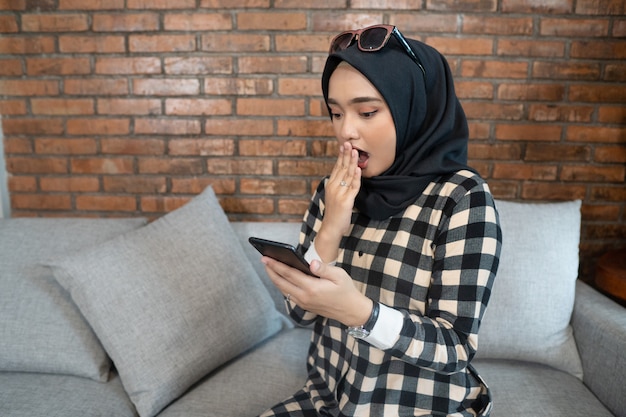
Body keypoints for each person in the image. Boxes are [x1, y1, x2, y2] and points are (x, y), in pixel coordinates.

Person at [259, 24, 502, 417]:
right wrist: (333, 223)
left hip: (418, 407)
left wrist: (361, 313)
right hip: (328, 400)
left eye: (367, 111)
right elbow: (301, 313)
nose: (346, 131)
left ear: (413, 109)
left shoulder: (461, 198)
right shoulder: (334, 189)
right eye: (335, 113)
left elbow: (455, 348)